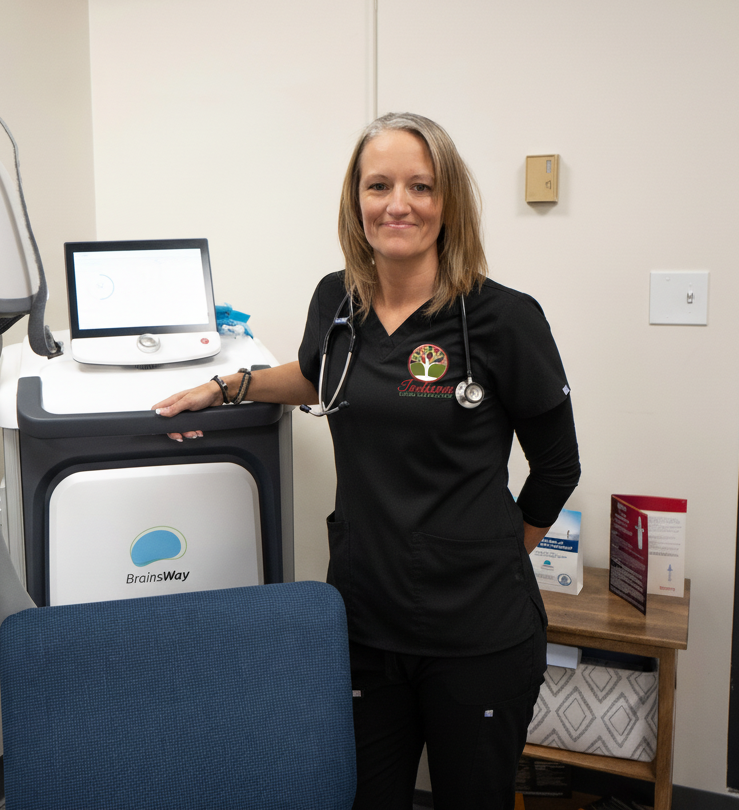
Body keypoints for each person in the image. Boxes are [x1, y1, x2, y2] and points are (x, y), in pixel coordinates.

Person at [152, 112, 580, 810]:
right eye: (378, 185)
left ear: (450, 203)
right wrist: (225, 387)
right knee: (362, 800)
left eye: (421, 186)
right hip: (363, 621)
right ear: (356, 200)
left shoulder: (505, 319)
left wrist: (498, 552)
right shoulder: (338, 301)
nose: (398, 204)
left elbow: (558, 467)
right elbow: (320, 373)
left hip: (476, 633)